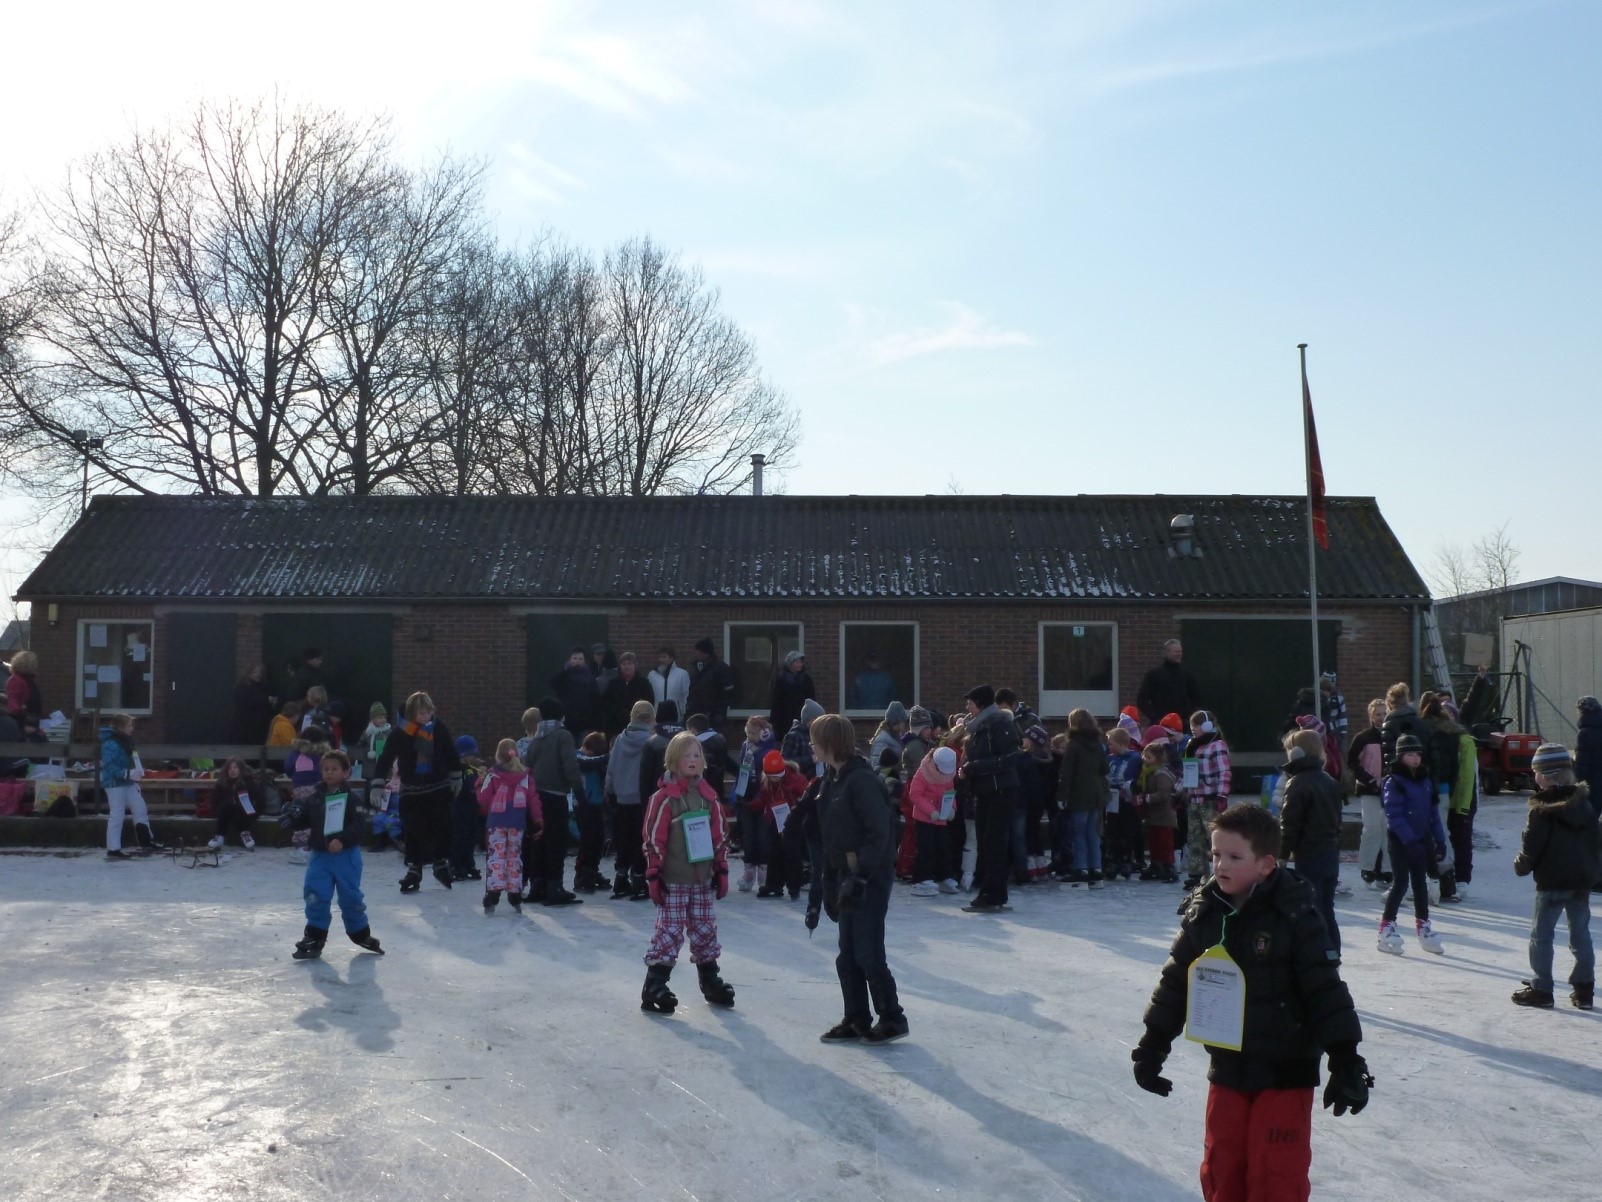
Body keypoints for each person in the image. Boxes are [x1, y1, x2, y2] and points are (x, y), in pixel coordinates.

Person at [1132, 804, 1372, 1201]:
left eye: (1234, 857)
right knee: (1223, 1167)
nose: (1220, 865)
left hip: (1285, 1071)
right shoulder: (1205, 912)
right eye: (1215, 854)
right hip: (1228, 1068)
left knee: (1276, 1172)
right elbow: (1176, 982)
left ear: (1266, 864)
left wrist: (1347, 1059)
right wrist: (1152, 1046)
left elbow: (1324, 989)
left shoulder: (1295, 914)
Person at [812, 712, 908, 1044]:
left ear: (829, 743)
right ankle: (855, 1016)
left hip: (869, 875)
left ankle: (892, 1017)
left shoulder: (862, 781)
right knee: (847, 953)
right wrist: (829, 883)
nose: (811, 746)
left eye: (815, 740)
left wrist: (862, 876)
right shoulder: (832, 780)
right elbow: (829, 837)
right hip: (845, 874)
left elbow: (879, 833)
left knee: (867, 951)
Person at [640, 731, 735, 1013]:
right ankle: (654, 983)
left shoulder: (708, 797)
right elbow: (653, 837)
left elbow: (719, 834)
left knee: (705, 928)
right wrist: (654, 874)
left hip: (701, 879)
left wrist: (721, 867)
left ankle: (710, 979)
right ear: (673, 761)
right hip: (674, 878)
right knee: (669, 930)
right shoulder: (664, 799)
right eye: (686, 756)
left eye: (697, 755)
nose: (693, 760)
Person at [1511, 744, 1597, 1009]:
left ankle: (1542, 988)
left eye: (1536, 772)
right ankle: (1584, 990)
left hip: (1550, 882)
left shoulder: (1541, 809)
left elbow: (1532, 846)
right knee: (1580, 934)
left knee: (1541, 936)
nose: (1533, 776)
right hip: (1581, 881)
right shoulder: (1585, 804)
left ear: (1547, 775)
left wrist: (1521, 866)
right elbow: (1595, 841)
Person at [282, 750, 383, 960]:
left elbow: (358, 825)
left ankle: (360, 933)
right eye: (326, 769)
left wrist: (342, 839)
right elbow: (306, 820)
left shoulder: (352, 799)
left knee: (350, 896)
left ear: (346, 772)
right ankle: (314, 936)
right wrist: (293, 819)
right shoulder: (315, 798)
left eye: (334, 769)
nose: (329, 773)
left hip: (346, 857)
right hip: (321, 855)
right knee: (315, 894)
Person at [373, 691, 463, 894]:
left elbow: (451, 751)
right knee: (413, 830)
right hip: (411, 790)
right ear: (412, 713)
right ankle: (414, 867)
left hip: (438, 787)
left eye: (428, 712)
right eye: (421, 713)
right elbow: (386, 757)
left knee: (443, 826)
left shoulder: (438, 728)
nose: (425, 717)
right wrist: (378, 783)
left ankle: (440, 862)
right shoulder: (400, 732)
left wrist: (456, 776)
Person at [1377, 733, 1447, 955]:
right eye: (1409, 754)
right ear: (1400, 757)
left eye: (1417, 754)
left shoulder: (1426, 780)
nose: (1415, 759)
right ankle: (1387, 926)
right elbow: (1394, 815)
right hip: (1400, 841)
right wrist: (1410, 841)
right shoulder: (1393, 782)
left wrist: (1440, 840)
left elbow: (1433, 813)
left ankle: (1423, 925)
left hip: (1422, 838)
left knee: (1420, 884)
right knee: (1400, 883)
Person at [1279, 729, 1346, 952]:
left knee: (1311, 908)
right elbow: (1338, 822)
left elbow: (1289, 825)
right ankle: (1332, 952)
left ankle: (1315, 952)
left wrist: (1282, 855)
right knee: (1327, 907)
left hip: (1309, 854)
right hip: (1330, 853)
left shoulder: (1297, 783)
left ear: (1295, 753)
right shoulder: (1330, 782)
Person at [959, 685, 1024, 913]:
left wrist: (975, 767)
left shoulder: (1000, 724)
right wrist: (967, 769)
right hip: (986, 791)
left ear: (982, 704)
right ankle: (995, 893)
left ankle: (990, 894)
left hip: (1001, 791)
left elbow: (1011, 757)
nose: (967, 707)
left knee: (993, 844)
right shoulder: (978, 728)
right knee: (986, 843)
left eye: (970, 703)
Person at [524, 698, 584, 906]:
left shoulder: (535, 740)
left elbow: (527, 767)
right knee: (556, 842)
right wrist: (578, 788)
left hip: (536, 798)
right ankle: (554, 886)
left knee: (538, 841)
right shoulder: (563, 736)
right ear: (560, 716)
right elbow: (570, 764)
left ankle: (537, 884)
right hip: (555, 796)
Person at [478, 739, 540, 913]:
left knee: (496, 856)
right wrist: (538, 820)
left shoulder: (493, 776)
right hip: (517, 823)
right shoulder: (526, 777)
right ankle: (514, 892)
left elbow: (483, 801)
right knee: (514, 856)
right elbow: (533, 800)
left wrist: (478, 786)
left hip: (496, 823)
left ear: (498, 756)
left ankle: (493, 892)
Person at [1419, 693, 1470, 903]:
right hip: (1444, 788)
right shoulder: (1452, 734)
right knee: (1442, 833)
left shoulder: (1421, 731)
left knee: (1425, 833)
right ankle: (1446, 879)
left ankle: (1426, 879)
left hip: (1425, 787)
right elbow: (1455, 765)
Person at [605, 700, 657, 900]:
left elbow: (612, 766)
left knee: (623, 838)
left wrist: (609, 789)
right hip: (641, 799)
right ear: (651, 718)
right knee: (640, 839)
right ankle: (638, 877)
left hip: (621, 797)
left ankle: (620, 877)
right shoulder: (650, 742)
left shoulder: (620, 739)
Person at [1055, 708, 1109, 887]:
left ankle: (1081, 868)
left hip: (1079, 793)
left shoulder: (1074, 744)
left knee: (1078, 832)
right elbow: (1105, 769)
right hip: (1096, 794)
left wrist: (1062, 795)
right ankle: (1096, 869)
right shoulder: (1098, 744)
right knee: (1093, 833)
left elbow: (1067, 772)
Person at [1183, 710, 1233, 890]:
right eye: (1191, 726)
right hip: (1194, 799)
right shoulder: (1192, 745)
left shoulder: (1217, 745)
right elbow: (1187, 770)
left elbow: (1224, 772)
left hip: (1210, 798)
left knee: (1213, 838)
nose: (1193, 729)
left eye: (1196, 725)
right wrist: (1181, 792)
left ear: (1207, 726)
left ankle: (1219, 873)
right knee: (1194, 837)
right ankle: (1196, 873)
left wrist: (1222, 795)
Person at [102, 713, 163, 857]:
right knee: (117, 814)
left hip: (128, 781)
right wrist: (127, 774)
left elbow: (133, 758)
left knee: (139, 807)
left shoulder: (127, 740)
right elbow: (109, 766)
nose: (132, 728)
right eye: (129, 725)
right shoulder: (110, 743)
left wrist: (137, 772)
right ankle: (113, 848)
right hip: (114, 783)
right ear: (121, 727)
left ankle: (146, 840)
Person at [1347, 699, 1391, 890]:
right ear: (1371, 716)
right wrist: (1368, 779)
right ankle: (1367, 867)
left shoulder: (1393, 736)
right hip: (1369, 789)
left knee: (1388, 830)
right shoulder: (1363, 737)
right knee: (1372, 828)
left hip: (1390, 790)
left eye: (1384, 713)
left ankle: (1387, 869)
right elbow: (1352, 762)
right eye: (1378, 714)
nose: (1381, 717)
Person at [755, 750, 807, 899]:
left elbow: (804, 800)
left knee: (792, 854)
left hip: (793, 823)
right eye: (770, 776)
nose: (773, 779)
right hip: (775, 821)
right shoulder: (767, 783)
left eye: (776, 776)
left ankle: (793, 885)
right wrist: (752, 805)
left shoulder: (797, 780)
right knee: (774, 853)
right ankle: (774, 884)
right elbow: (764, 800)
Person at [907, 745, 959, 897]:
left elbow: (950, 792)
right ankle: (921, 879)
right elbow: (915, 795)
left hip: (942, 819)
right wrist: (931, 811)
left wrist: (952, 809)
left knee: (945, 847)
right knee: (926, 849)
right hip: (925, 819)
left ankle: (943, 876)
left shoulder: (948, 776)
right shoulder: (923, 773)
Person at [733, 716, 778, 892]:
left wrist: (760, 796)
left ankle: (764, 872)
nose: (750, 736)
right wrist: (738, 792)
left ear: (763, 733)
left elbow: (770, 775)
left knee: (763, 835)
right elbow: (742, 770)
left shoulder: (769, 749)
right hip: (746, 793)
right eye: (748, 733)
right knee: (748, 835)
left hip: (764, 796)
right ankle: (749, 871)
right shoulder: (746, 746)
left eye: (753, 733)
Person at [285, 726, 332, 866]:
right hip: (320, 789)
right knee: (318, 817)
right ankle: (316, 846)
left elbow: (288, 767)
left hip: (300, 789)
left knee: (300, 815)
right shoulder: (325, 753)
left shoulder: (296, 753)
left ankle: (301, 847)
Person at [1104, 726, 1144, 881]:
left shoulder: (1135, 758)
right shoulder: (1110, 758)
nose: (1109, 746)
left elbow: (1139, 779)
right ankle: (1113, 858)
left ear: (1121, 744)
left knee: (1127, 830)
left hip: (1127, 801)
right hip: (1113, 799)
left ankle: (1126, 858)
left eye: (1111, 743)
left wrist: (1132, 788)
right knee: (1112, 829)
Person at [1137, 741, 1179, 883]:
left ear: (1158, 758)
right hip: (1153, 815)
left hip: (1164, 815)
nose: (1145, 759)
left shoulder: (1161, 773)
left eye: (1149, 757)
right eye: (1144, 756)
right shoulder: (1148, 772)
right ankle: (1156, 864)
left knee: (1164, 842)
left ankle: (1169, 866)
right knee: (1153, 841)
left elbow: (1164, 793)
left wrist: (1147, 798)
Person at [1135, 639, 1200, 727]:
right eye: (1176, 651)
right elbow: (1141, 699)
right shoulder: (1154, 674)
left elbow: (1195, 698)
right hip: (1160, 724)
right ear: (1167, 652)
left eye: (1180, 651)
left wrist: (1186, 716)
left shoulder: (1187, 675)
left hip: (1182, 724)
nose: (1179, 654)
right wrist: (1155, 717)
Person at [574, 731, 610, 893]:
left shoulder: (598, 759)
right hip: (583, 804)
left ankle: (592, 870)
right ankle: (582, 873)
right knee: (587, 840)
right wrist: (609, 756)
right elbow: (589, 762)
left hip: (597, 804)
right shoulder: (578, 756)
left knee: (598, 839)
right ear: (587, 747)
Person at [207, 758, 264, 850]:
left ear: (240, 769)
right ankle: (219, 836)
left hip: (245, 811)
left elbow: (259, 798)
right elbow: (215, 799)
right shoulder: (222, 782)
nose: (232, 770)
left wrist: (256, 813)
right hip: (226, 811)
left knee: (238, 807)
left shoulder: (248, 782)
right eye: (230, 768)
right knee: (226, 806)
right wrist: (216, 811)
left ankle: (245, 833)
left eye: (235, 768)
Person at [449, 735, 484, 883]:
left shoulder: (472, 769)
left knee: (471, 836)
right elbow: (461, 788)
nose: (473, 757)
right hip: (459, 807)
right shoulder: (457, 770)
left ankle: (469, 862)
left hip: (472, 807)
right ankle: (456, 864)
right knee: (459, 837)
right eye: (470, 754)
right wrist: (473, 787)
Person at [1380, 682, 1432, 776]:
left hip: (1400, 777)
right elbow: (1431, 750)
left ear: (1390, 704)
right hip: (1422, 774)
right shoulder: (1421, 722)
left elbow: (1389, 755)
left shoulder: (1389, 724)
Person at [549, 647, 602, 740]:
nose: (577, 661)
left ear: (584, 661)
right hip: (567, 721)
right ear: (570, 659)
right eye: (575, 658)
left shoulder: (590, 678)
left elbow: (595, 699)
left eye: (580, 659)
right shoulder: (564, 675)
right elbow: (553, 684)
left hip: (585, 722)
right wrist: (565, 671)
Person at [602, 652, 656, 739]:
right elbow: (606, 704)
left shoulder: (644, 684)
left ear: (635, 665)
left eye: (629, 664)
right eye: (624, 664)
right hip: (616, 727)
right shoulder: (613, 684)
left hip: (638, 727)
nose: (627, 666)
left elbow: (649, 703)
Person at [686, 638, 736, 730]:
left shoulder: (720, 668)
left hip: (712, 715)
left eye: (697, 651)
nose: (695, 653)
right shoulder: (696, 667)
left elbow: (727, 694)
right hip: (695, 714)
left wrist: (719, 714)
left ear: (704, 652)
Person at [768, 650, 816, 741]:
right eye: (797, 662)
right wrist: (773, 720)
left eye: (801, 662)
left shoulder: (806, 679)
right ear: (790, 663)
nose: (800, 664)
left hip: (801, 716)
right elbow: (776, 701)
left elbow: (811, 698)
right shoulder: (781, 679)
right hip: (785, 718)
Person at [5, 650, 44, 742]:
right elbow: (13, 701)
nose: (36, 666)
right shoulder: (16, 680)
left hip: (29, 722)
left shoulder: (28, 681)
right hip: (22, 723)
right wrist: (21, 709)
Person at [231, 665, 275, 745]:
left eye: (260, 672)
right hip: (245, 724)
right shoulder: (242, 687)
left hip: (261, 724)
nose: (258, 674)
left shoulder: (263, 686)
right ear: (249, 673)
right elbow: (248, 701)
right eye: (255, 672)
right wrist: (266, 700)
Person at [1575, 697, 1602, 816]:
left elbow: (1582, 763)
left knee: (1590, 818)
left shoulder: (1584, 733)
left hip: (1593, 781)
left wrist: (1577, 780)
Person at [648, 649, 691, 723]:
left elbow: (686, 694)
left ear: (671, 658)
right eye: (660, 657)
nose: (661, 659)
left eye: (664, 657)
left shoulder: (682, 674)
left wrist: (684, 712)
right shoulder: (652, 675)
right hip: (657, 715)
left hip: (676, 715)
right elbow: (649, 695)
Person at [356, 703, 392, 780]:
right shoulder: (368, 733)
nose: (383, 720)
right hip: (370, 766)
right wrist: (367, 753)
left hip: (385, 765)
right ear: (373, 719)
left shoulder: (388, 732)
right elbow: (360, 746)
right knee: (369, 787)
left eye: (384, 717)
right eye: (380, 718)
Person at [869, 702, 909, 770]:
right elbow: (876, 765)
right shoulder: (883, 740)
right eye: (903, 721)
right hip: (886, 779)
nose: (905, 723)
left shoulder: (897, 737)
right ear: (897, 721)